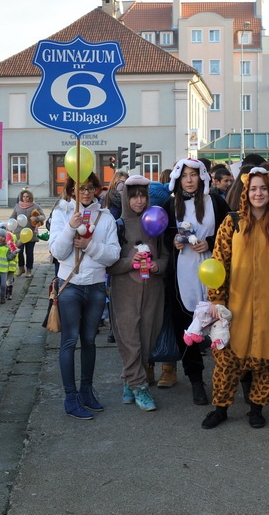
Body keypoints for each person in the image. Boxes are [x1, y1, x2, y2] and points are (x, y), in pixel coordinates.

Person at [201, 167, 269, 429]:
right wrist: (217, 300)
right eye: (253, 188)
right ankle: (220, 408)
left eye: (263, 188)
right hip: (236, 307)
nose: (258, 193)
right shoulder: (231, 222)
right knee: (226, 361)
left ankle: (256, 408)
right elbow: (218, 262)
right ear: (246, 192)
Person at [48, 173, 120, 420]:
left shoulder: (105, 216)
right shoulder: (61, 213)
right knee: (69, 341)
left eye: (90, 188)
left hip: (96, 286)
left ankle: (86, 391)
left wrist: (88, 246)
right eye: (81, 188)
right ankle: (71, 397)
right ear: (72, 189)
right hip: (70, 286)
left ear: (97, 190)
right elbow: (57, 252)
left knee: (89, 341)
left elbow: (113, 255)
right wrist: (70, 227)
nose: (86, 192)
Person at [161, 158, 230, 404]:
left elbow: (229, 232)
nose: (189, 180)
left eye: (193, 175)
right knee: (187, 328)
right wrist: (174, 241)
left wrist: (209, 243)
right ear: (178, 179)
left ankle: (228, 377)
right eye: (185, 176)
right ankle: (196, 380)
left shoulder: (216, 202)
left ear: (202, 177)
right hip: (183, 273)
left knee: (220, 323)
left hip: (214, 270)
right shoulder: (171, 205)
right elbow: (164, 234)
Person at [106, 175, 167, 411]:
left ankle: (129, 381)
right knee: (129, 339)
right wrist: (130, 262)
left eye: (143, 195)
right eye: (134, 196)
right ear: (125, 198)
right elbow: (109, 265)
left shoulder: (156, 220)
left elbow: (166, 256)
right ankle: (140, 387)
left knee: (146, 338)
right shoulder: (117, 225)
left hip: (153, 290)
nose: (139, 201)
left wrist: (158, 266)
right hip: (125, 291)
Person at [10, 189, 46, 278]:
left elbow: (43, 216)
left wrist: (37, 218)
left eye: (27, 197)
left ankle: (29, 270)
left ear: (30, 197)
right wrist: (9, 226)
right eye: (24, 197)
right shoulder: (17, 206)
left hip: (31, 233)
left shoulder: (35, 206)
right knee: (19, 251)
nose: (25, 198)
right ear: (21, 197)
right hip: (19, 233)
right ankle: (21, 268)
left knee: (29, 253)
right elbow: (12, 217)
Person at [0, 229, 17, 305]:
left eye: (3, 236)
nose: (0, 238)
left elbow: (9, 257)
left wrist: (14, 253)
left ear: (5, 238)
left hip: (3, 270)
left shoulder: (7, 248)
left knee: (3, 285)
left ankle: (2, 296)